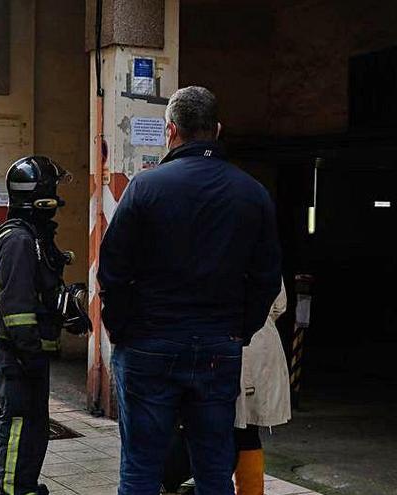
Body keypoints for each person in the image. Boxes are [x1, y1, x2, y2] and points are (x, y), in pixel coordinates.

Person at [98, 86, 282, 495]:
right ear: (217, 130)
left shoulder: (145, 189)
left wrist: (123, 330)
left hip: (148, 343)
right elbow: (267, 278)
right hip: (219, 347)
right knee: (215, 469)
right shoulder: (252, 194)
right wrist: (240, 330)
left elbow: (112, 272)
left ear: (170, 131)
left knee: (141, 468)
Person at [0, 156, 87, 495]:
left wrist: (68, 312)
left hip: (30, 353)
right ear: (39, 195)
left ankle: (25, 484)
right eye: (53, 190)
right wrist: (30, 353)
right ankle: (14, 489)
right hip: (19, 355)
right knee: (18, 424)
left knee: (33, 426)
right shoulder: (17, 241)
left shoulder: (34, 237)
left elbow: (42, 291)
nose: (58, 199)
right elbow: (16, 309)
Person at [162, 282, 291, 495]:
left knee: (206, 425)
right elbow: (279, 304)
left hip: (220, 340)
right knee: (247, 431)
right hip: (259, 341)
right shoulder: (264, 250)